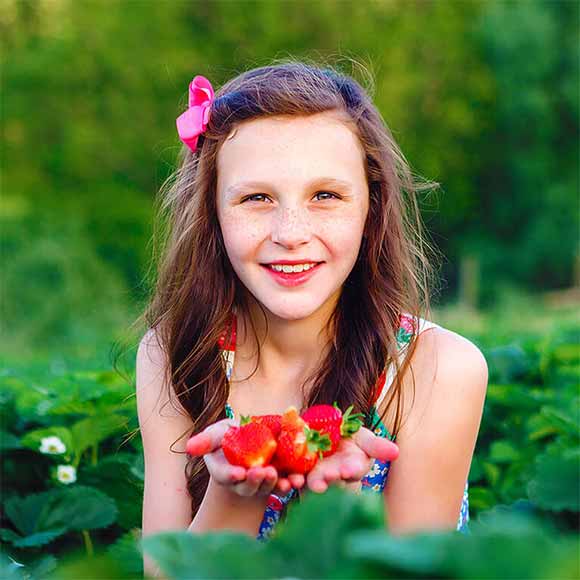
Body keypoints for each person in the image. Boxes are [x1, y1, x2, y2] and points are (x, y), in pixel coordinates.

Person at [135, 61, 488, 572]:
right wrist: (236, 492)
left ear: (372, 206)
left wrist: (338, 511)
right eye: (256, 198)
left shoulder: (437, 368)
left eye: (325, 196)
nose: (291, 232)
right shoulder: (175, 355)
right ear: (212, 211)